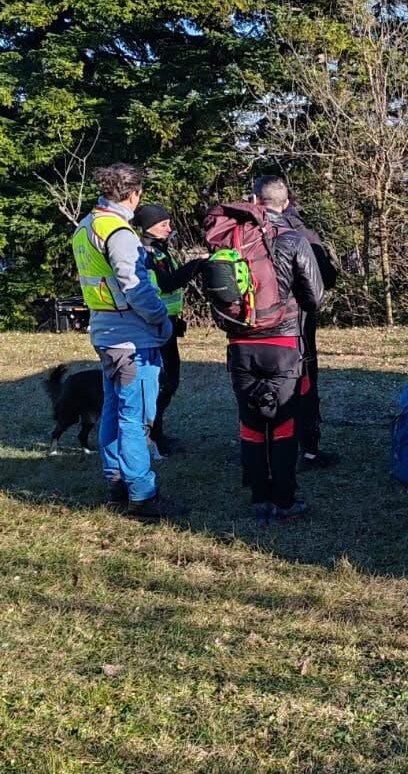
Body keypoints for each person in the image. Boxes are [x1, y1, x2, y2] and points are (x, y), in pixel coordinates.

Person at [204, 175, 324, 523]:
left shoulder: (229, 239)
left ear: (252, 199)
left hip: (240, 344)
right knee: (283, 421)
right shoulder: (292, 239)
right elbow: (314, 297)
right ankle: (284, 501)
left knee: (251, 421)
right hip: (284, 342)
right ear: (284, 203)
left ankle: (259, 497)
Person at [70, 163, 180, 520]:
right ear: (135, 194)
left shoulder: (86, 226)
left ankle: (116, 483)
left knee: (114, 411)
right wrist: (161, 320)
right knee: (136, 418)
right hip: (132, 339)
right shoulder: (119, 231)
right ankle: (142, 495)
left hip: (105, 332)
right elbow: (136, 286)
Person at [131, 202, 207, 454]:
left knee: (169, 381)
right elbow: (166, 283)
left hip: (168, 324)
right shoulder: (145, 252)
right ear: (149, 226)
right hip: (153, 326)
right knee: (161, 382)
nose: (169, 227)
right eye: (163, 224)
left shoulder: (162, 249)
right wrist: (196, 265)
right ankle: (152, 437)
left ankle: (157, 432)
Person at [278, 186, 339, 468]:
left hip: (256, 327)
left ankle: (265, 447)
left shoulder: (245, 233)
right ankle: (309, 448)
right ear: (289, 201)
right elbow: (327, 276)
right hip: (297, 322)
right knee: (303, 382)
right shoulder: (301, 233)